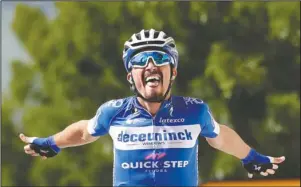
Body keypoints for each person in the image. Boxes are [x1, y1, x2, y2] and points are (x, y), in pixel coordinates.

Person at [20, 29, 285, 187]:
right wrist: (52, 142)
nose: (150, 65)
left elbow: (220, 137)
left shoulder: (195, 111)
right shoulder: (113, 112)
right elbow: (84, 132)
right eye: (140, 60)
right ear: (130, 76)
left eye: (159, 58)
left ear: (173, 72)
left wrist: (249, 156)